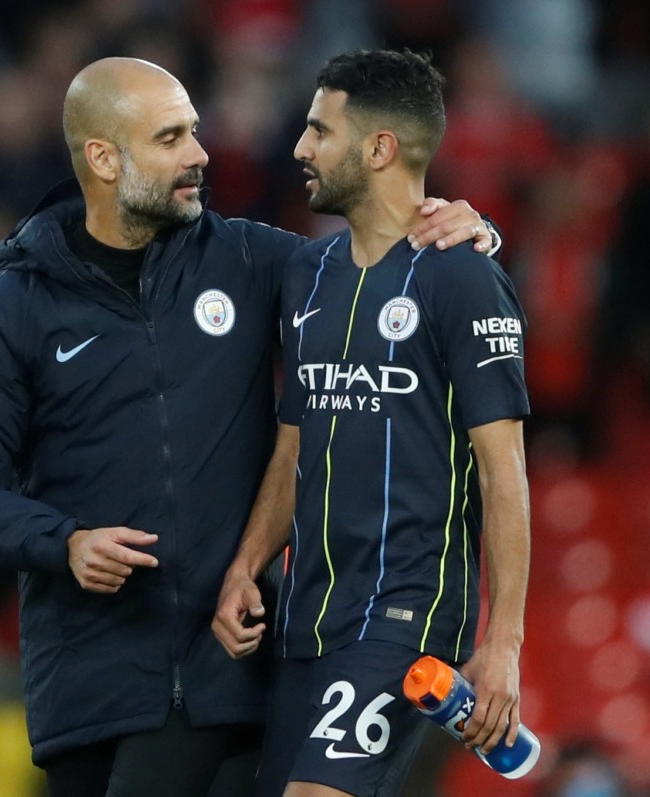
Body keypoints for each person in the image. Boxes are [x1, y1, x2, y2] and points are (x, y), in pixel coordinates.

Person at [0, 56, 496, 797]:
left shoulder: (251, 260)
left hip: (226, 670)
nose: (199, 154)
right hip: (83, 683)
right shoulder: (11, 310)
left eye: (193, 131)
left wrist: (472, 230)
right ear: (104, 159)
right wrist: (62, 542)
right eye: (170, 139)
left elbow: (388, 271)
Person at [212, 49, 531, 797]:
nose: (301, 148)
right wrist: (246, 564)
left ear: (380, 148)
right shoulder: (306, 274)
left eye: (320, 130)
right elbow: (296, 442)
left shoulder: (464, 277)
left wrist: (504, 642)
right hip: (307, 618)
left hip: (406, 615)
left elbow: (504, 472)